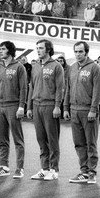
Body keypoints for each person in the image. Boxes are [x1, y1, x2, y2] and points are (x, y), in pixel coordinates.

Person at [64, 41, 100, 184]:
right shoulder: (72, 68)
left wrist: (93, 109)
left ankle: (92, 172)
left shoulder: (95, 68)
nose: (78, 54)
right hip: (74, 110)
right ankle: (84, 171)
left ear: (86, 52)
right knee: (79, 143)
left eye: (80, 51)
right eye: (76, 51)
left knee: (90, 143)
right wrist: (66, 107)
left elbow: (98, 91)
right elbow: (68, 88)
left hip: (88, 111)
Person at [27, 39, 64, 181]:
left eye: (41, 48)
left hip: (50, 106)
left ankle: (54, 169)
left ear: (48, 49)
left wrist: (57, 106)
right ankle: (44, 168)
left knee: (52, 139)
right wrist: (29, 107)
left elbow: (60, 88)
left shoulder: (56, 66)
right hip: (36, 105)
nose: (38, 50)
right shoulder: (35, 66)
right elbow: (31, 86)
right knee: (41, 139)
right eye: (37, 48)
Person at [0, 41, 28, 179]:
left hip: (13, 106)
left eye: (2, 49)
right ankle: (4, 166)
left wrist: (21, 106)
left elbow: (24, 88)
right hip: (0, 105)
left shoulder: (19, 67)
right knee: (2, 139)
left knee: (18, 139)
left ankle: (19, 168)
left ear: (10, 51)